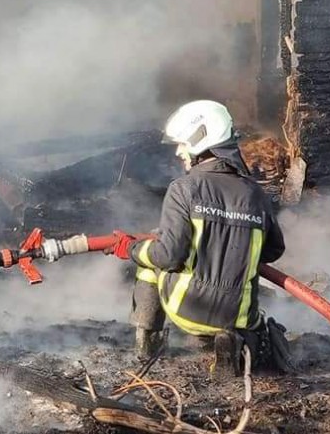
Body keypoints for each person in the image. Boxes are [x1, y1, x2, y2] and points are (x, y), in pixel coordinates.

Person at [110, 100, 286, 372]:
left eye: (182, 143)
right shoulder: (255, 194)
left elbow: (168, 256)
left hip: (188, 309)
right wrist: (235, 245)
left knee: (150, 257)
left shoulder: (184, 188)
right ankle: (231, 342)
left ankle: (148, 343)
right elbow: (273, 250)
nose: (179, 151)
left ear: (200, 140)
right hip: (239, 316)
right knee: (248, 316)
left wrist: (133, 249)